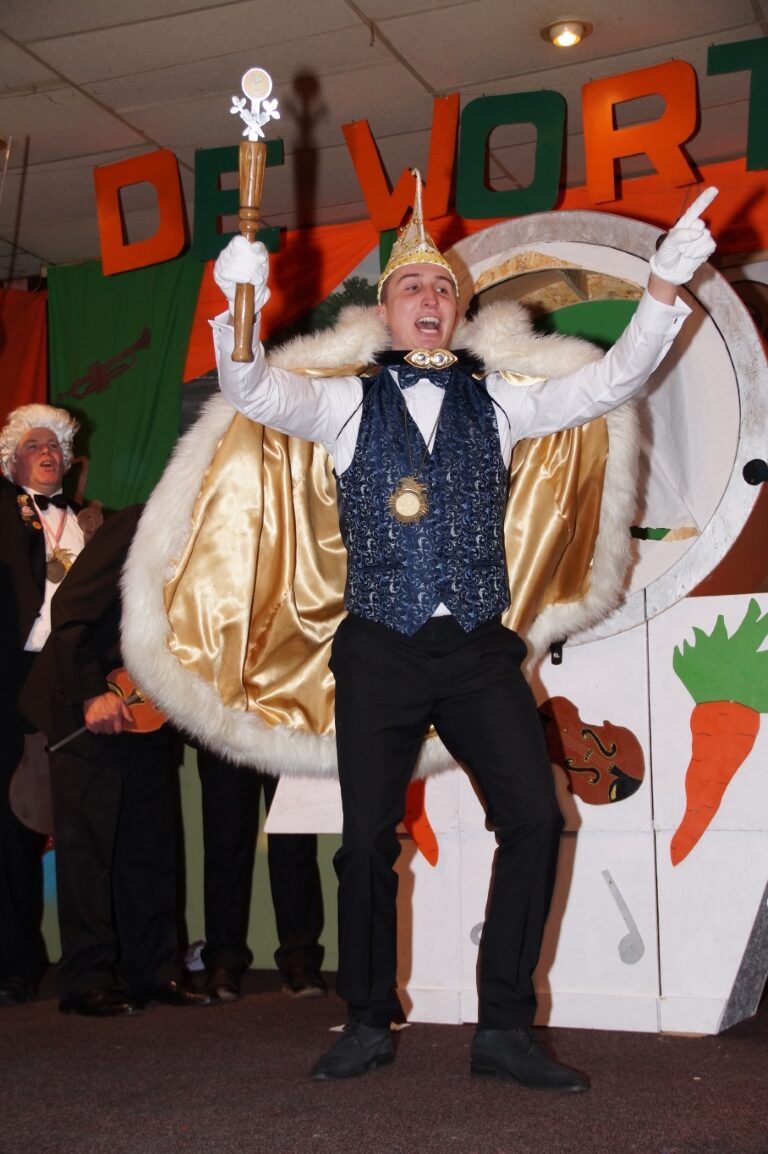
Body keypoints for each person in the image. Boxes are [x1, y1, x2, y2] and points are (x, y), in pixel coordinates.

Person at [214, 177, 717, 1087]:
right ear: (386, 309)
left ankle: (505, 1030)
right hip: (380, 644)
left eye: (443, 287)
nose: (429, 298)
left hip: (480, 648)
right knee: (366, 840)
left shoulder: (505, 400)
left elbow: (614, 379)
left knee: (534, 817)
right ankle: (367, 1018)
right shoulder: (343, 404)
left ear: (460, 308)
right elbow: (249, 388)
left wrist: (661, 288)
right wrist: (238, 301)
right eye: (412, 286)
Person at [21, 504, 212, 1016]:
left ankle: (155, 970)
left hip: (145, 706)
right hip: (87, 703)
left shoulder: (216, 541)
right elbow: (71, 609)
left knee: (150, 846)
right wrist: (91, 694)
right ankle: (86, 977)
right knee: (89, 850)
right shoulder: (139, 526)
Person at [0, 404, 97, 1007]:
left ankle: (92, 964)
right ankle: (15, 962)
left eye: (56, 446)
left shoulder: (90, 520)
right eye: (34, 445)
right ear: (11, 462)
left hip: (77, 678)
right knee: (11, 826)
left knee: (85, 822)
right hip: (13, 681)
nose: (47, 452)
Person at [196, 747, 326, 1002]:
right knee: (224, 840)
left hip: (288, 730)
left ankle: (299, 957)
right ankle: (223, 957)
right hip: (222, 727)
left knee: (295, 843)